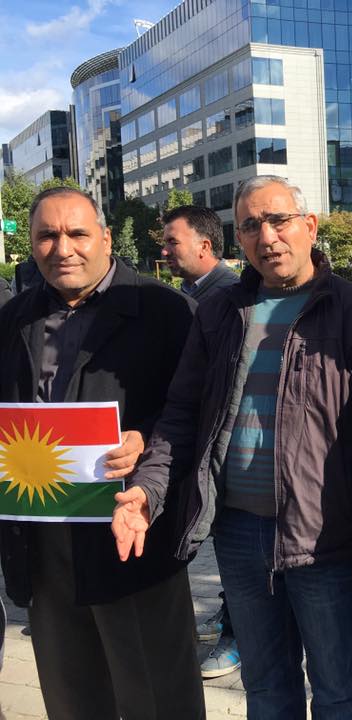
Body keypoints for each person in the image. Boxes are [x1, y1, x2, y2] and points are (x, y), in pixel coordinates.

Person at [111, 175, 352, 720]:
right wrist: (148, 490)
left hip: (323, 533)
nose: (267, 236)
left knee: (338, 687)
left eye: (278, 220)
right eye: (251, 225)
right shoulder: (220, 313)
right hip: (237, 532)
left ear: (309, 226)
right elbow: (182, 414)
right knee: (267, 686)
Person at [0, 187, 204, 720]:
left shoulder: (167, 311)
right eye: (47, 236)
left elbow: (199, 413)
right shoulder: (12, 319)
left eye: (77, 233)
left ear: (106, 238)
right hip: (41, 540)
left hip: (132, 536)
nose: (62, 248)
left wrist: (146, 438)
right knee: (71, 697)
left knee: (158, 697)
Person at [160, 203, 242, 678]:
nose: (164, 252)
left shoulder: (228, 297)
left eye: (172, 242)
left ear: (204, 245)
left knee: (232, 540)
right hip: (191, 438)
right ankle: (232, 617)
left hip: (224, 448)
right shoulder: (192, 294)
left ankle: (238, 633)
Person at [161, 204, 240, 301]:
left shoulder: (233, 297)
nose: (164, 251)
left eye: (173, 242)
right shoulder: (188, 289)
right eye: (165, 243)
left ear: (204, 247)